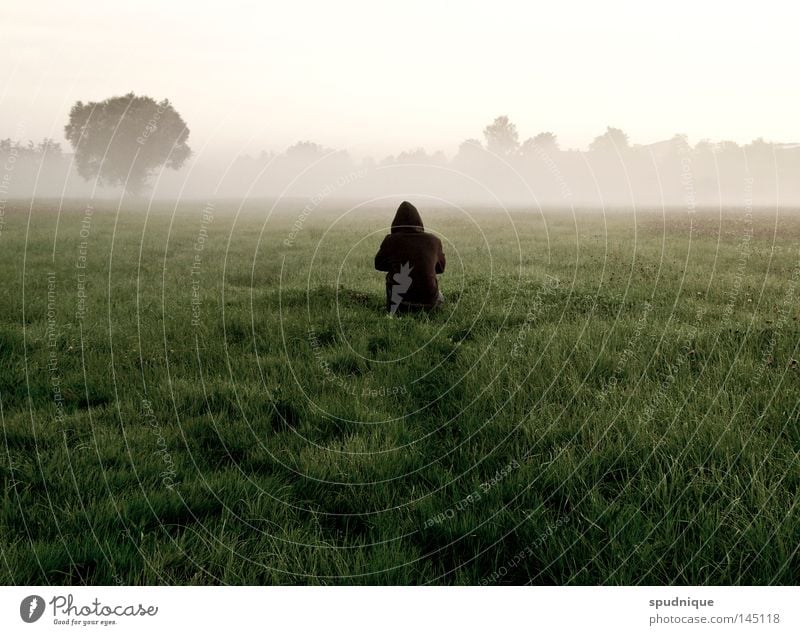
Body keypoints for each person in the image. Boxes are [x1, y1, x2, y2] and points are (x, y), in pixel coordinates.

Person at [374, 201, 446, 314]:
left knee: (391, 277)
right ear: (419, 221)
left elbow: (378, 265)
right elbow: (441, 269)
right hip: (430, 305)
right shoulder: (434, 241)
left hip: (398, 306)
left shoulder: (391, 240)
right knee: (439, 294)